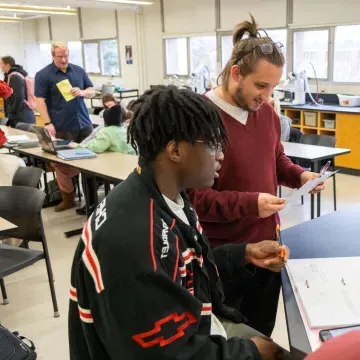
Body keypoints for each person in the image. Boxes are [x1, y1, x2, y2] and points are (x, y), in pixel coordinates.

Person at [68, 86, 291, 360]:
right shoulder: (132, 241)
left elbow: (183, 267)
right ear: (175, 150)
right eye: (212, 145)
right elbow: (166, 354)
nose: (221, 155)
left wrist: (243, 254)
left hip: (198, 329)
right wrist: (252, 352)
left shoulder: (168, 196)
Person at [188, 15, 325, 337]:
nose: (267, 96)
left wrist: (301, 176)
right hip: (223, 255)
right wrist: (251, 204)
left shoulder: (267, 114)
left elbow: (276, 160)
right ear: (236, 73)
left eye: (273, 86)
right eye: (260, 85)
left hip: (269, 246)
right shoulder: (201, 117)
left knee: (260, 333)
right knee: (226, 337)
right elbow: (193, 199)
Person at [35, 42, 96, 212]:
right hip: (62, 125)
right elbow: (40, 101)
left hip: (84, 123)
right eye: (60, 56)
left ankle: (91, 202)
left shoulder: (78, 70)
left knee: (91, 162)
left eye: (66, 55)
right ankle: (68, 198)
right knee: (62, 164)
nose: (64, 59)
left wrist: (83, 92)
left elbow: (92, 89)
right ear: (52, 56)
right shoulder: (43, 75)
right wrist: (47, 123)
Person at [52, 104, 135, 212]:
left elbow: (95, 147)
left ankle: (91, 206)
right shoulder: (125, 129)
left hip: (115, 170)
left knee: (88, 175)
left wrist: (75, 145)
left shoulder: (107, 131)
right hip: (130, 166)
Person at [0, 56, 35, 127]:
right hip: (19, 115)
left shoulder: (15, 76)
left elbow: (19, 97)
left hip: (21, 117)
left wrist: (11, 113)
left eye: (1, 63)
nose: (0, 66)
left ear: (7, 65)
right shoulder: (10, 76)